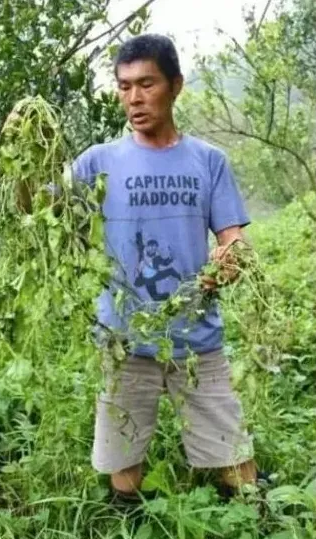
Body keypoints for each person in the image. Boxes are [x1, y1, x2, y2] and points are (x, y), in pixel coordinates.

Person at [72, 34, 257, 502]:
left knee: (236, 463)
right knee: (122, 468)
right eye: (124, 86)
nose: (133, 98)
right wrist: (22, 157)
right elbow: (39, 212)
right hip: (124, 339)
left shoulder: (208, 161)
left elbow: (233, 238)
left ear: (175, 86)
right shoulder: (97, 162)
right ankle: (130, 521)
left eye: (146, 84)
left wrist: (231, 259)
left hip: (196, 337)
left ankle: (249, 521)